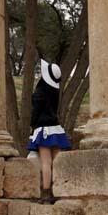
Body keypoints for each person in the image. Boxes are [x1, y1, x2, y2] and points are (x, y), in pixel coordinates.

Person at [27, 59, 71, 204]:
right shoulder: (55, 92)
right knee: (57, 161)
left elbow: (36, 113)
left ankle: (46, 194)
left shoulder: (40, 92)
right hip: (56, 130)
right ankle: (61, 191)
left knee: (46, 162)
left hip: (43, 129)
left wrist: (31, 125)